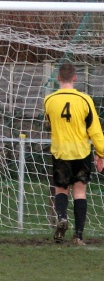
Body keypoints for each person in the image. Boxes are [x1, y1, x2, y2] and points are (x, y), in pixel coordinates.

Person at [44, 62, 104, 246]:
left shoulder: (49, 101)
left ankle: (62, 217)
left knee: (61, 190)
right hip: (81, 152)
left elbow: (50, 124)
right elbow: (95, 131)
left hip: (61, 152)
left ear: (58, 78)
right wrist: (101, 153)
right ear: (75, 78)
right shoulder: (85, 100)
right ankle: (78, 236)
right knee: (79, 191)